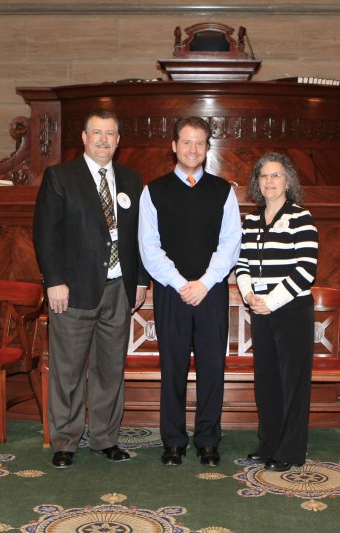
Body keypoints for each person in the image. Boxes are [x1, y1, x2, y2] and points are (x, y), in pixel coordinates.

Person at [33, 109, 148, 469]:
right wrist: (54, 281)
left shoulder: (131, 179)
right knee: (67, 371)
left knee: (109, 371)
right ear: (84, 138)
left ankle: (105, 438)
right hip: (72, 291)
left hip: (119, 290)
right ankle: (65, 441)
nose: (103, 139)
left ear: (118, 140)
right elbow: (45, 233)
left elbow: (140, 235)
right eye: (96, 132)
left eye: (110, 134)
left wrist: (140, 280)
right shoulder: (60, 176)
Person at [139, 116, 242, 467]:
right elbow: (149, 247)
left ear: (207, 147)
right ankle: (173, 441)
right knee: (173, 368)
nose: (193, 149)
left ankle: (208, 440)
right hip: (172, 292)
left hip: (211, 291)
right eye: (186, 142)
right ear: (174, 146)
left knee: (212, 368)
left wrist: (205, 282)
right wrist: (181, 283)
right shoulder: (153, 191)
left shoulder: (223, 191)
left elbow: (231, 242)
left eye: (199, 142)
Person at [234, 152, 318, 472]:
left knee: (292, 384)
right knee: (267, 381)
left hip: (291, 311)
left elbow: (305, 270)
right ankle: (268, 443)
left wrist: (270, 301)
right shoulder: (252, 220)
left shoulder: (301, 217)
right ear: (257, 182)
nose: (269, 181)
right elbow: (242, 264)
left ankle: (290, 451)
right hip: (260, 311)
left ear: (288, 181)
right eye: (264, 176)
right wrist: (249, 295)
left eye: (276, 175)